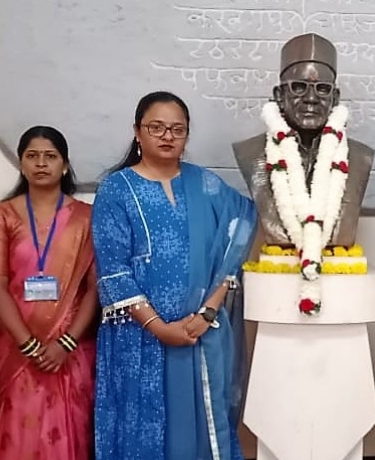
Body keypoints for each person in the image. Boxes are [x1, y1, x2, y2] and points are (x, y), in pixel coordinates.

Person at [92, 91, 256, 460]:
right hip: (138, 339)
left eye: (177, 129)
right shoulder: (116, 189)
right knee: (143, 432)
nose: (167, 136)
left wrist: (208, 313)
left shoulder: (206, 185)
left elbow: (240, 230)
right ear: (137, 131)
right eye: (157, 127)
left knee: (199, 432)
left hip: (199, 333)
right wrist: (159, 327)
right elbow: (114, 271)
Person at [0, 126, 97, 459]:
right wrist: (28, 344)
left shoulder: (86, 218)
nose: (41, 163)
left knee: (72, 428)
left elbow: (95, 287)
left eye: (50, 156)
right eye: (32, 156)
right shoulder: (2, 216)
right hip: (17, 347)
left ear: (65, 165)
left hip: (72, 348)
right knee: (21, 428)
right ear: (21, 164)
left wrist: (66, 343)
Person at [233, 32, 374, 246]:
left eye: (322, 89)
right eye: (299, 87)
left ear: (335, 98)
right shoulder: (250, 153)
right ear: (279, 95)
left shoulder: (360, 157)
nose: (311, 98)